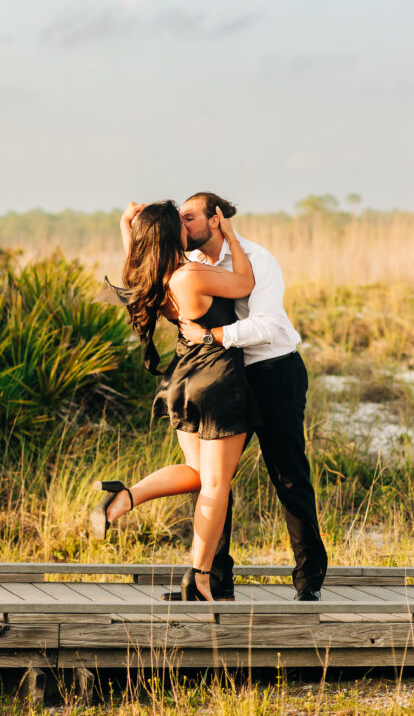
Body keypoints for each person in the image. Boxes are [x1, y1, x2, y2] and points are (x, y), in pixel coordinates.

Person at [90, 199, 261, 602]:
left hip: (181, 381)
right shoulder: (190, 276)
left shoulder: (147, 276)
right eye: (180, 224)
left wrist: (126, 223)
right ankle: (201, 579)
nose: (187, 228)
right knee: (216, 486)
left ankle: (124, 497)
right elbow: (246, 283)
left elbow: (136, 250)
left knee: (199, 473)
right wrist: (232, 237)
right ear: (172, 235)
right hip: (216, 378)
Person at [175, 191, 328, 602]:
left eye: (188, 217)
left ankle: (309, 581)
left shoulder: (258, 260)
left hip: (274, 372)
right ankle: (214, 582)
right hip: (228, 379)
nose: (181, 225)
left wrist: (212, 336)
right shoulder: (193, 267)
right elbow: (146, 268)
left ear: (215, 219)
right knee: (214, 480)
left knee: (288, 474)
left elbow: (265, 325)